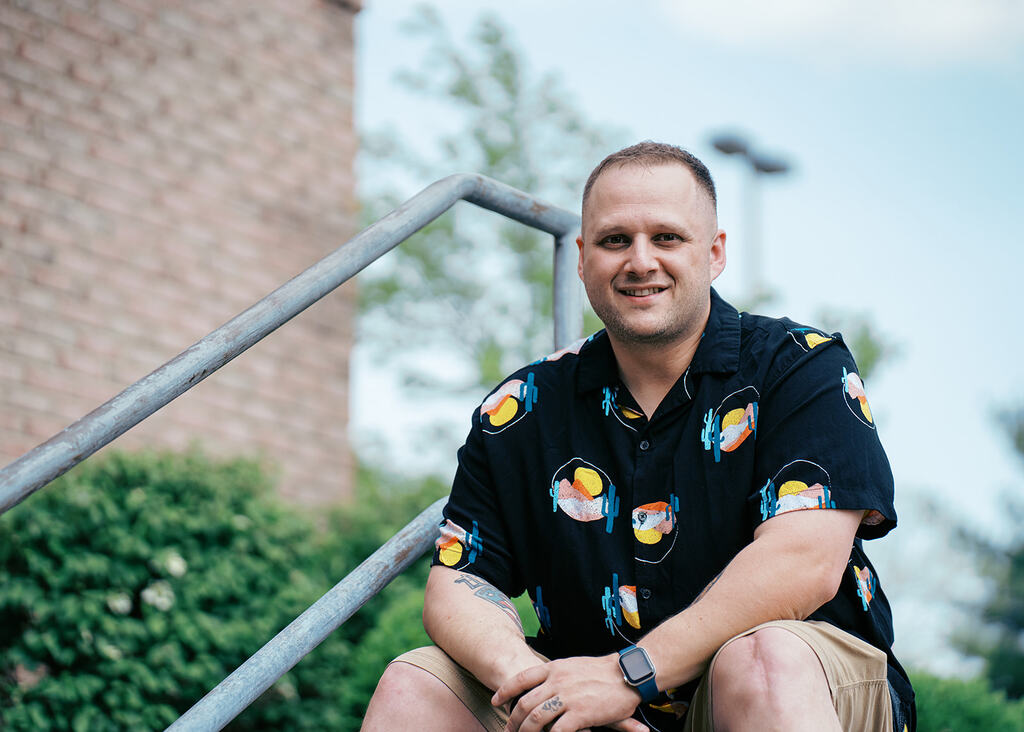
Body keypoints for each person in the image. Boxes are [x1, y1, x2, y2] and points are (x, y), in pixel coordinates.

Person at [362, 142, 915, 732]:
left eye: (667, 238)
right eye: (614, 240)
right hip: (595, 707)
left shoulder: (799, 367)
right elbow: (459, 581)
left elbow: (803, 562)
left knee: (762, 660)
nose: (640, 261)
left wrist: (626, 675)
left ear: (715, 252)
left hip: (793, 693)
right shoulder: (522, 408)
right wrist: (548, 694)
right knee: (415, 685)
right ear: (581, 258)